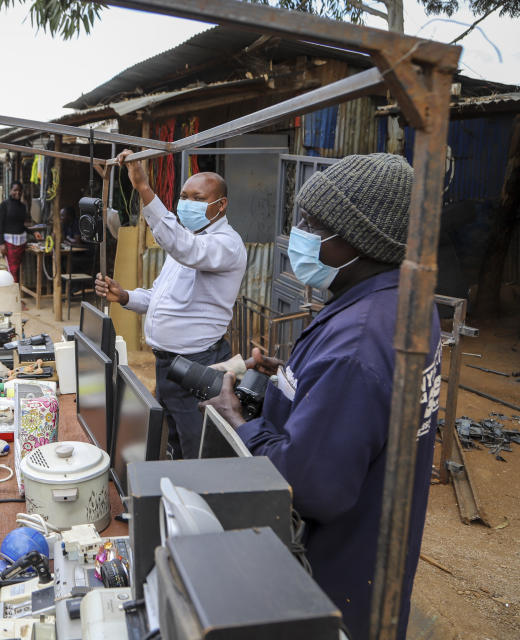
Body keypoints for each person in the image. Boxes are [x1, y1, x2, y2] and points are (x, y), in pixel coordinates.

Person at [201, 154, 440, 640]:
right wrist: (293, 380)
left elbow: (309, 489)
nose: (298, 234)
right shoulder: (405, 303)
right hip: (377, 561)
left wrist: (239, 421)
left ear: (360, 239)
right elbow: (355, 411)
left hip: (332, 579)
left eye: (312, 224)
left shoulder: (357, 346)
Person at [95, 150, 246, 459]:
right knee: (171, 443)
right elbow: (159, 296)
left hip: (197, 365)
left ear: (221, 205)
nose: (187, 203)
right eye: (183, 196)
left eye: (197, 198)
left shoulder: (225, 244)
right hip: (166, 364)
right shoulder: (188, 238)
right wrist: (125, 296)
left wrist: (144, 189)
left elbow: (185, 248)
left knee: (197, 450)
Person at [0, 181, 41, 282]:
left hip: (21, 243)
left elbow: (21, 226)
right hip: (9, 243)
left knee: (18, 270)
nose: (18, 193)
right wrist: (1, 243)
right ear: (10, 190)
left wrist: (33, 233)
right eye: (15, 190)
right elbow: (0, 225)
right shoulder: (4, 205)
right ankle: (14, 292)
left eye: (20, 191)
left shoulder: (22, 207)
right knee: (13, 270)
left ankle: (17, 291)